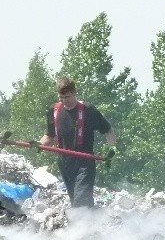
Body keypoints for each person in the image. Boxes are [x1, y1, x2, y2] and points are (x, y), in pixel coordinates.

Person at [39, 77, 116, 208]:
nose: (64, 101)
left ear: (74, 93)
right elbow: (49, 136)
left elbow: (108, 131)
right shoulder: (54, 110)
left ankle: (82, 227)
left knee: (82, 200)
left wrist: (112, 150)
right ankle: (88, 225)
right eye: (61, 97)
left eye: (67, 97)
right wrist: (37, 144)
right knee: (75, 201)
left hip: (84, 162)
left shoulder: (88, 110)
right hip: (64, 163)